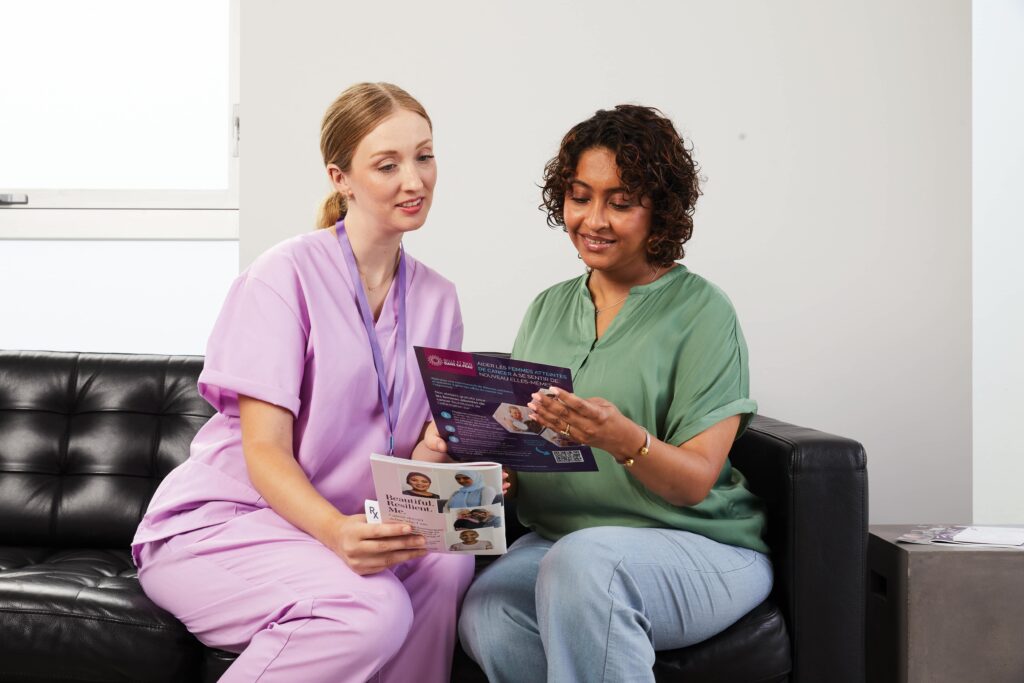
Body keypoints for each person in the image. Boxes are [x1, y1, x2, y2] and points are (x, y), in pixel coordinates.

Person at [130, 82, 474, 683]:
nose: (414, 180)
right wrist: (339, 531)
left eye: (424, 156)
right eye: (387, 164)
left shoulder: (440, 300)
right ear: (341, 178)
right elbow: (264, 451)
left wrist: (436, 454)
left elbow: (409, 452)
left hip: (349, 525)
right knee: (370, 609)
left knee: (447, 566)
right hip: (226, 524)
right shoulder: (282, 276)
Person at [458, 105, 773, 683]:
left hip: (698, 547)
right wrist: (500, 468)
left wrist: (622, 438)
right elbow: (531, 440)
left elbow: (697, 478)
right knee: (490, 607)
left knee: (586, 567)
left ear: (660, 211)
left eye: (620, 202)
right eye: (580, 197)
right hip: (561, 542)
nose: (594, 219)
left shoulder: (704, 311)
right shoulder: (548, 307)